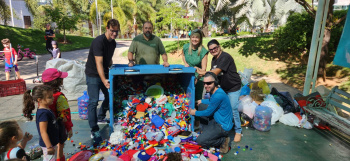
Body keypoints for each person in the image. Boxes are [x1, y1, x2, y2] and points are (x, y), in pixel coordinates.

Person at [196, 39, 242, 142]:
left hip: (233, 87)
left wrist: (201, 72)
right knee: (220, 106)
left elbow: (215, 72)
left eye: (215, 48)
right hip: (224, 88)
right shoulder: (214, 60)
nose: (213, 50)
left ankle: (238, 131)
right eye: (211, 50)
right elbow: (212, 76)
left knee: (233, 107)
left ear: (219, 47)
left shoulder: (225, 57)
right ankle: (222, 125)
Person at [85, 19, 120, 144]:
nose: (114, 33)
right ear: (107, 28)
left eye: (116, 31)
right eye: (112, 31)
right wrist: (104, 80)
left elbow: (108, 60)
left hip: (104, 72)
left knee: (110, 96)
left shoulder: (113, 43)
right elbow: (99, 63)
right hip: (93, 74)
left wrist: (113, 68)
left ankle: (101, 116)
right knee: (93, 101)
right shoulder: (98, 42)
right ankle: (94, 129)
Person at [189, 72, 232, 154]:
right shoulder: (216, 91)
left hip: (222, 126)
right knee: (201, 105)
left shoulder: (218, 95)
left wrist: (194, 112)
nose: (206, 86)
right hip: (218, 119)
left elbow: (208, 113)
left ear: (215, 82)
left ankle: (223, 140)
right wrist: (201, 100)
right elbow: (212, 101)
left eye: (209, 83)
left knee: (200, 141)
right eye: (204, 83)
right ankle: (206, 132)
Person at [42, 68, 73, 161]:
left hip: (47, 127)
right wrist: (69, 128)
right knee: (60, 146)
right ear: (58, 82)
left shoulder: (42, 96)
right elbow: (65, 115)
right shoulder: (59, 97)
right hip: (59, 126)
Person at [23, 85, 59, 161]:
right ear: (39, 100)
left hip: (51, 142)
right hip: (48, 145)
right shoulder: (43, 113)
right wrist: (49, 147)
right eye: (49, 97)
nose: (53, 98)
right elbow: (43, 132)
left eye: (52, 96)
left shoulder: (46, 109)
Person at [182, 29, 208, 102]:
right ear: (190, 38)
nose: (194, 39)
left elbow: (203, 70)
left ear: (200, 39)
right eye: (193, 37)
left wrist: (197, 78)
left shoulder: (203, 51)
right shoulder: (186, 47)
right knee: (186, 98)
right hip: (187, 75)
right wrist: (185, 63)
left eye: (197, 37)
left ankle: (196, 113)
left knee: (196, 100)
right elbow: (183, 55)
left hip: (199, 77)